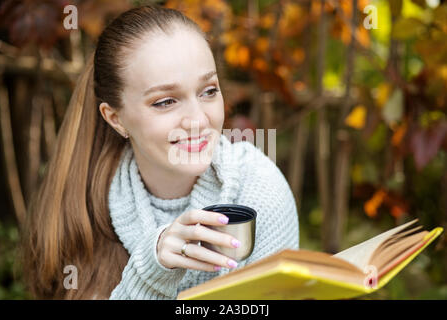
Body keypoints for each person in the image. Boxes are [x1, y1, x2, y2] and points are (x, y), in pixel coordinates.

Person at [21, 4, 299, 300]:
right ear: (116, 118)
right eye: (165, 101)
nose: (198, 121)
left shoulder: (258, 190)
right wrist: (150, 273)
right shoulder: (85, 203)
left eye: (208, 91)